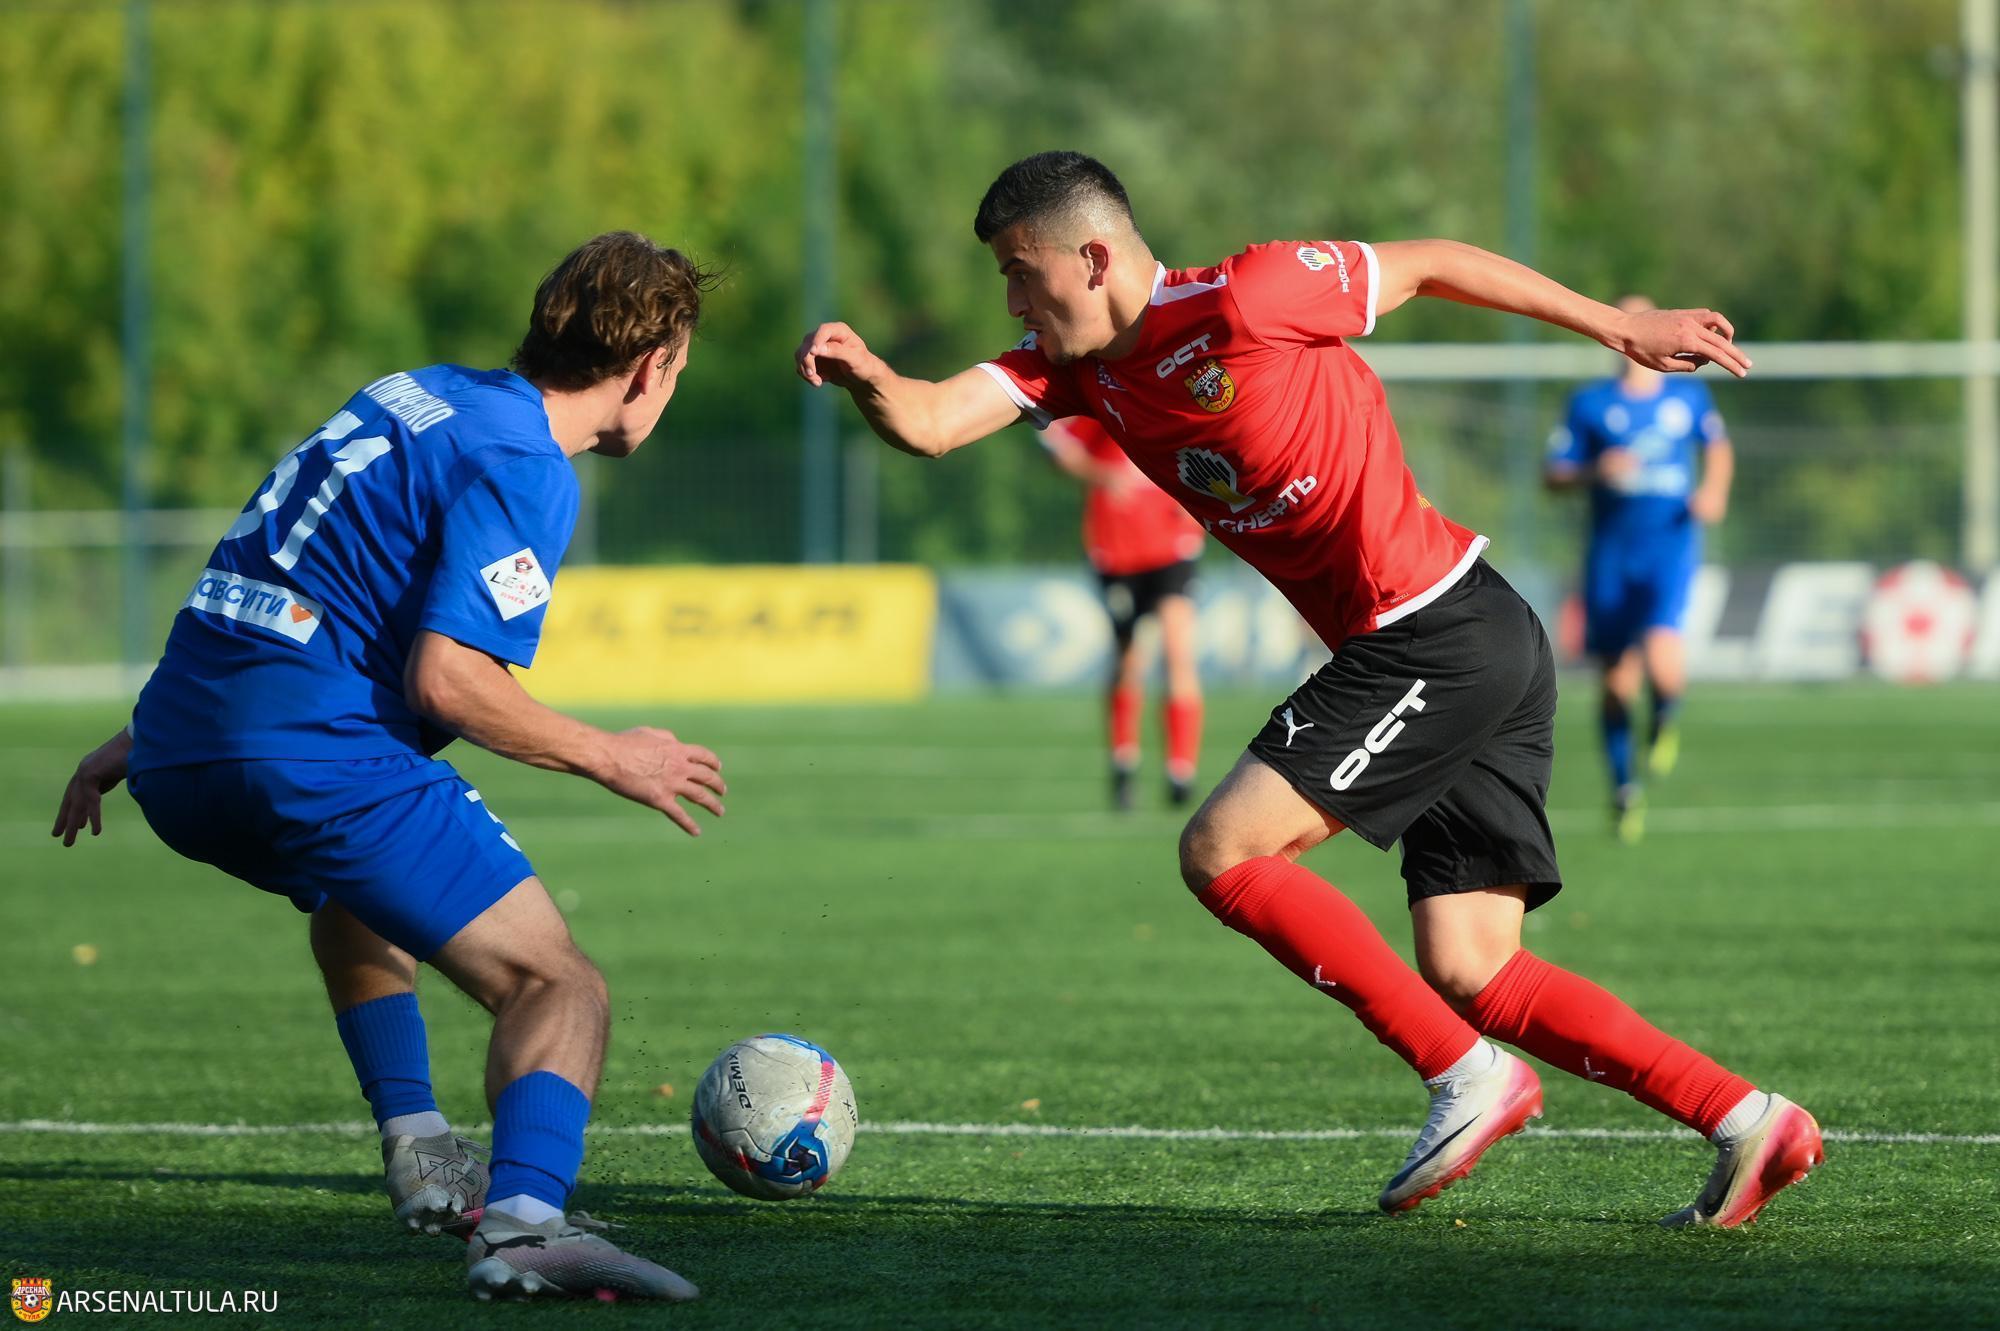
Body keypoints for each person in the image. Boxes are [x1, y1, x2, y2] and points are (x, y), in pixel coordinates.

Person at [796, 151, 1821, 1226]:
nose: (1011, 300)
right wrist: (868, 374)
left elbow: (1430, 263)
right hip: (1465, 634)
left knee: (1222, 850)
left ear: (1092, 258)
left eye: (1019, 271)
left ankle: (1463, 1073)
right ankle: (1747, 1118)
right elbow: (929, 421)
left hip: (1430, 632)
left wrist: (1616, 327)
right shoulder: (1079, 370)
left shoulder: (1249, 294)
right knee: (1475, 967)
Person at [52, 232, 725, 1301]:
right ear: (650, 367)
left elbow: (283, 576)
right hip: (307, 753)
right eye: (680, 369)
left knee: (359, 885)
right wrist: (614, 754)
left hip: (180, 753)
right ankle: (524, 1226)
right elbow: (449, 681)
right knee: (558, 983)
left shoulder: (413, 392)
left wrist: (133, 745)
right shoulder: (526, 463)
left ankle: (420, 1143)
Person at [1546, 295, 1735, 844]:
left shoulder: (1687, 397)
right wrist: (1594, 471)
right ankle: (1624, 788)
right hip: (1610, 554)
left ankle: (1665, 719)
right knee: (1615, 684)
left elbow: (1718, 449)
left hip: (1669, 545)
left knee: (1663, 659)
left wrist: (1713, 492)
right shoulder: (1589, 404)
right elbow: (1553, 474)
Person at [1042, 415, 1206, 808]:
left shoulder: (1177, 402)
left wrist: (1202, 495)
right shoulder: (1105, 401)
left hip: (1173, 541)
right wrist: (1103, 475)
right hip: (1118, 547)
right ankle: (1124, 762)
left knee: (1177, 651)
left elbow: (1219, 448)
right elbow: (1056, 447)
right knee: (1129, 659)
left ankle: (1180, 771)